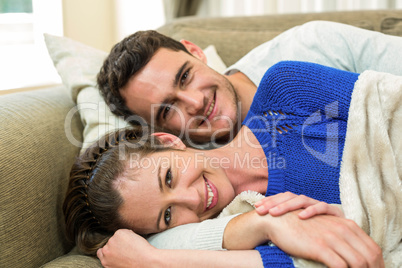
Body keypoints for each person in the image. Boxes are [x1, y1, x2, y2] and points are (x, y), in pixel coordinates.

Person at [65, 61, 402, 267]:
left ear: (169, 141)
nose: (193, 200)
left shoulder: (284, 92)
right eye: (168, 216)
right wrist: (156, 261)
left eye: (169, 177)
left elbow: (392, 106)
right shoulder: (235, 227)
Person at [97, 20, 402, 146]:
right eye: (167, 109)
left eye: (185, 76)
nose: (195, 103)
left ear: (195, 51)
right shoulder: (190, 178)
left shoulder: (312, 43)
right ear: (161, 131)